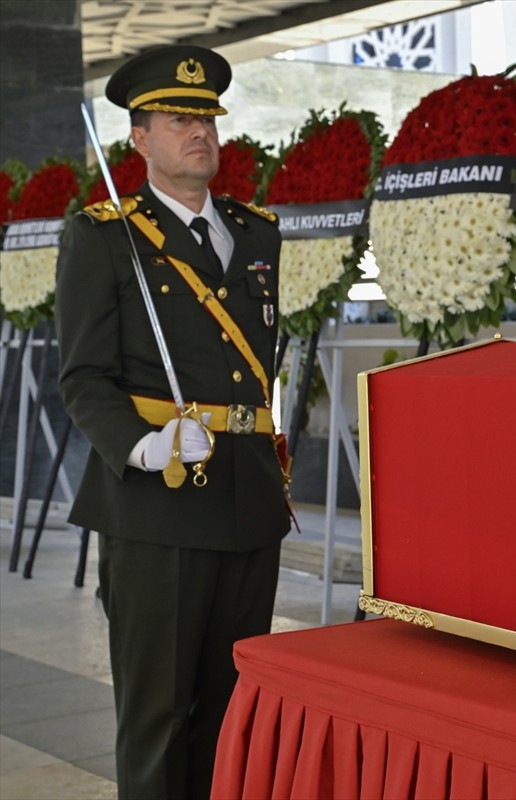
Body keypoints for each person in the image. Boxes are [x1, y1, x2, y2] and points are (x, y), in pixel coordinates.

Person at [55, 45, 290, 799]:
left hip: (247, 498)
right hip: (158, 502)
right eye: (178, 119)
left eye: (208, 119)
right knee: (158, 717)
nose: (200, 133)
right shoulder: (103, 237)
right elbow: (83, 378)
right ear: (139, 138)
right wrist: (143, 444)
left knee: (233, 713)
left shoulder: (257, 235)